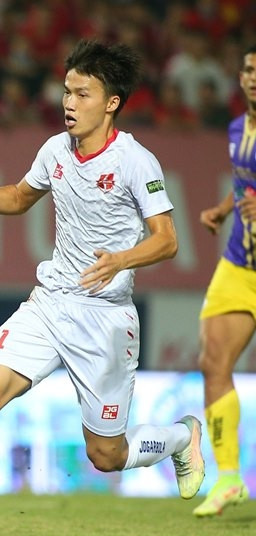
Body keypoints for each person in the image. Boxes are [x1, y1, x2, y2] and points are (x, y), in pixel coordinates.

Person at [0, 40, 205, 535]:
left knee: (106, 455)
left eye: (82, 94)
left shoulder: (135, 161)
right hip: (51, 301)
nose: (69, 103)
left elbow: (167, 240)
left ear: (111, 102)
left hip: (105, 318)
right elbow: (20, 197)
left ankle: (182, 438)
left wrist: (121, 259)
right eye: (66, 92)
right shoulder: (55, 149)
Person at [191, 44, 256, 518]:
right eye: (250, 69)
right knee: (213, 362)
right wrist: (221, 209)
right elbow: (243, 188)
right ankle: (229, 477)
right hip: (239, 265)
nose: (255, 77)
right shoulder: (238, 129)